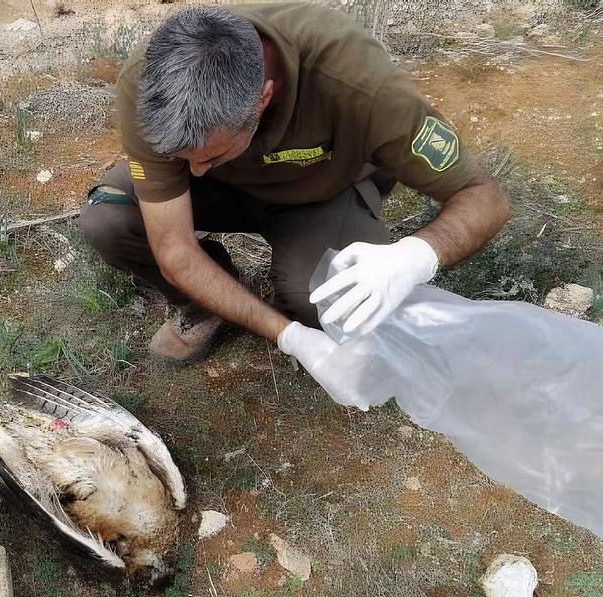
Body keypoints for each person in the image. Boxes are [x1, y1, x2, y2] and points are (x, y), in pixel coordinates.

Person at [77, 4, 510, 390]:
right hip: (224, 192)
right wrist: (289, 337)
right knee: (109, 219)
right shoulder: (151, 84)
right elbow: (174, 248)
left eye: (211, 155)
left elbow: (483, 197)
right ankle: (207, 303)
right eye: (182, 158)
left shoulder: (357, 81)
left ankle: (290, 294)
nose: (194, 172)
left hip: (319, 193)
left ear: (263, 98)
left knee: (332, 304)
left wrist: (412, 257)